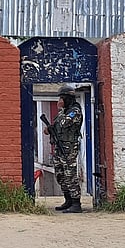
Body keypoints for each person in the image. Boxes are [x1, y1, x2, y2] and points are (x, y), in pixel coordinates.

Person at [46, 85, 84, 213]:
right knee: (60, 175)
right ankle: (68, 200)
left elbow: (64, 123)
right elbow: (57, 126)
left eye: (62, 98)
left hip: (69, 149)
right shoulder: (64, 111)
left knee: (70, 175)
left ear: (68, 98)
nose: (60, 101)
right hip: (59, 147)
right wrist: (50, 129)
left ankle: (76, 203)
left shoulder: (75, 111)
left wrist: (61, 109)